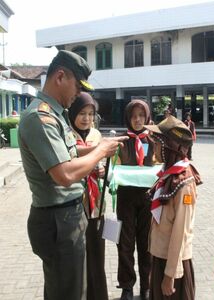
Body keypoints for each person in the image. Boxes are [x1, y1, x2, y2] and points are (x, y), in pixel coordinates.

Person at [18, 50, 127, 300]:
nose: (79, 93)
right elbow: (65, 173)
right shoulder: (40, 117)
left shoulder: (54, 114)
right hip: (58, 220)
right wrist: (100, 151)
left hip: (66, 216)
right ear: (60, 77)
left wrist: (102, 146)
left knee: (69, 287)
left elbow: (67, 151)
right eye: (77, 86)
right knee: (68, 292)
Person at [144, 115, 202, 300]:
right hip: (161, 258)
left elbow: (180, 232)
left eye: (158, 142)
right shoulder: (169, 175)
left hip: (174, 264)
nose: (155, 147)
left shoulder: (183, 181)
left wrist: (170, 274)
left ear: (172, 147)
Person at [68, 92, 108, 300]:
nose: (86, 118)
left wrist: (102, 171)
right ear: (73, 113)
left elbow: (102, 164)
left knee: (97, 255)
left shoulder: (96, 135)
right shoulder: (65, 136)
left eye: (91, 114)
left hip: (96, 205)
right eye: (82, 113)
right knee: (78, 258)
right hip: (75, 206)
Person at [116, 99, 156, 300]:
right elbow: (112, 167)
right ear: (128, 118)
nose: (138, 120)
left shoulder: (156, 141)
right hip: (125, 198)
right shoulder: (121, 142)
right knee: (125, 243)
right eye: (134, 116)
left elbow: (162, 167)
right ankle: (127, 287)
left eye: (141, 115)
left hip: (148, 198)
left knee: (146, 243)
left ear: (147, 117)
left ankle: (146, 286)